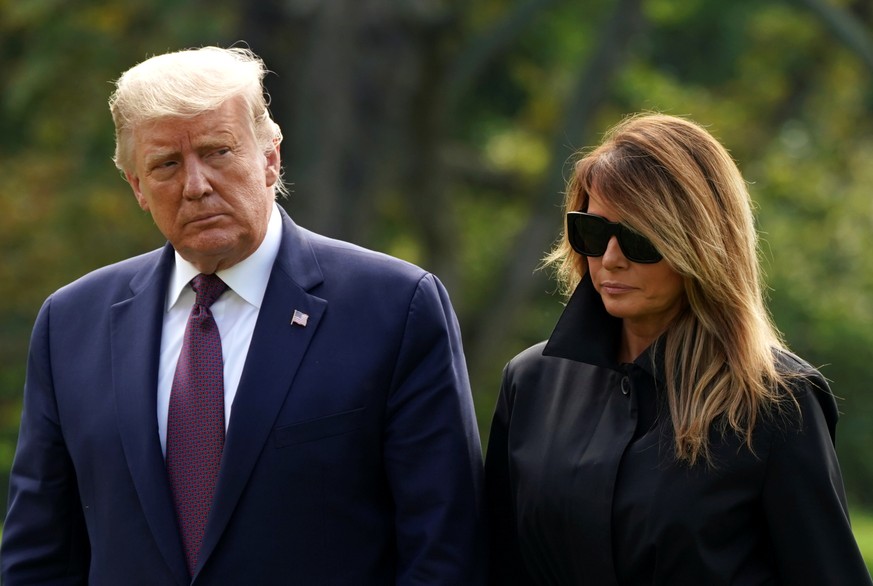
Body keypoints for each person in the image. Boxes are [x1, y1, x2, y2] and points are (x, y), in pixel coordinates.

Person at [0, 46, 486, 585]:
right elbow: (39, 556)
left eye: (217, 152)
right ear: (136, 186)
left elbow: (444, 551)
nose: (196, 185)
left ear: (270, 157)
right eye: (166, 165)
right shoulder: (71, 324)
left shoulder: (394, 308)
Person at [484, 113, 872, 585]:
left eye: (638, 238)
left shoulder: (775, 404)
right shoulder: (531, 382)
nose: (610, 258)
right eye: (591, 231)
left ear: (701, 245)